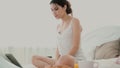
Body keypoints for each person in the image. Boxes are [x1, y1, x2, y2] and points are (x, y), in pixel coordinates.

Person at [32, 0, 85, 68]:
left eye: (56, 9)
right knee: (34, 58)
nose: (54, 13)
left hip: (75, 60)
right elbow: (58, 47)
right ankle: (55, 66)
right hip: (61, 60)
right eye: (52, 10)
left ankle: (56, 66)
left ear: (64, 7)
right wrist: (56, 60)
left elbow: (75, 46)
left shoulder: (75, 21)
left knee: (64, 58)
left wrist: (62, 59)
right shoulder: (58, 27)